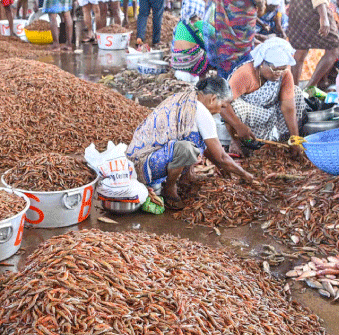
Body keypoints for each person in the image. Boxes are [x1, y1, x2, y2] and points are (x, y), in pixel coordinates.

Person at [126, 76, 256, 210]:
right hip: (144, 166)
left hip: (137, 160)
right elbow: (221, 156)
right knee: (186, 149)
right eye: (222, 106)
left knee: (194, 142)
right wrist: (246, 176)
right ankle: (170, 189)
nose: (220, 111)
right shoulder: (202, 112)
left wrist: (221, 166)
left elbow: (209, 148)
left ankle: (184, 177)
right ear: (212, 99)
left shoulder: (189, 98)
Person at [221, 37, 305, 157]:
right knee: (234, 105)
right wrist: (239, 127)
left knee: (296, 93)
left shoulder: (284, 73)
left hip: (271, 113)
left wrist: (295, 139)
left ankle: (282, 141)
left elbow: (288, 108)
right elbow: (222, 105)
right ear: (261, 64)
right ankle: (237, 142)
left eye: (282, 69)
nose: (279, 74)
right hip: (248, 121)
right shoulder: (245, 74)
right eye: (274, 70)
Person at [288, 0, 339, 90]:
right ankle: (309, 88)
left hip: (297, 7)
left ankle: (294, 92)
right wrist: (324, 17)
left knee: (301, 50)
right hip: (313, 8)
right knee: (335, 49)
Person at [206, 0, 264, 79]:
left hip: (225, 21)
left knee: (225, 51)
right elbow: (259, 3)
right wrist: (261, 7)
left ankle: (224, 85)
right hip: (245, 23)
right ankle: (240, 85)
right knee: (244, 59)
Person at [170, 0, 213, 78]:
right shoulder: (201, 24)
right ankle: (202, 77)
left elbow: (173, 45)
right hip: (191, 64)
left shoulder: (180, 24)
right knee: (213, 55)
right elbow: (217, 36)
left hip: (177, 63)